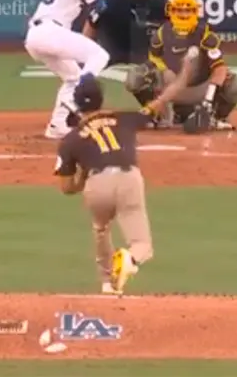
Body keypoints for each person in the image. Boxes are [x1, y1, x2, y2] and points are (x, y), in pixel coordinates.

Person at [53, 59, 195, 295]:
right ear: (101, 99)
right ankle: (130, 258)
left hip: (96, 185)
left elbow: (67, 188)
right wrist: (186, 72)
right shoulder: (125, 119)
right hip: (128, 179)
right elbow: (163, 100)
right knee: (142, 245)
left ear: (76, 103)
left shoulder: (70, 140)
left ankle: (107, 282)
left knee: (100, 228)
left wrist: (84, 175)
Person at [25, 0, 111, 139]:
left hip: (35, 36)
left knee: (72, 76)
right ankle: (76, 100)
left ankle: (57, 126)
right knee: (100, 56)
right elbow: (100, 7)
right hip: (51, 31)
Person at [125, 0, 237, 132]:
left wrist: (208, 99)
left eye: (188, 10)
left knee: (234, 84)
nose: (183, 14)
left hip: (201, 87)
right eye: (179, 10)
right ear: (171, 11)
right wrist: (164, 72)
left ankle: (215, 117)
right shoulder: (161, 33)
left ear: (195, 12)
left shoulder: (206, 35)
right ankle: (159, 115)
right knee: (135, 77)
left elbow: (220, 68)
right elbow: (154, 59)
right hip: (169, 84)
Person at [82, 0, 167, 108]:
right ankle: (79, 106)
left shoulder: (160, 4)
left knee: (149, 77)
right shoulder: (114, 0)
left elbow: (170, 32)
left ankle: (154, 108)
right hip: (113, 46)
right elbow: (92, 22)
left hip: (142, 50)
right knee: (83, 73)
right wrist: (85, 50)